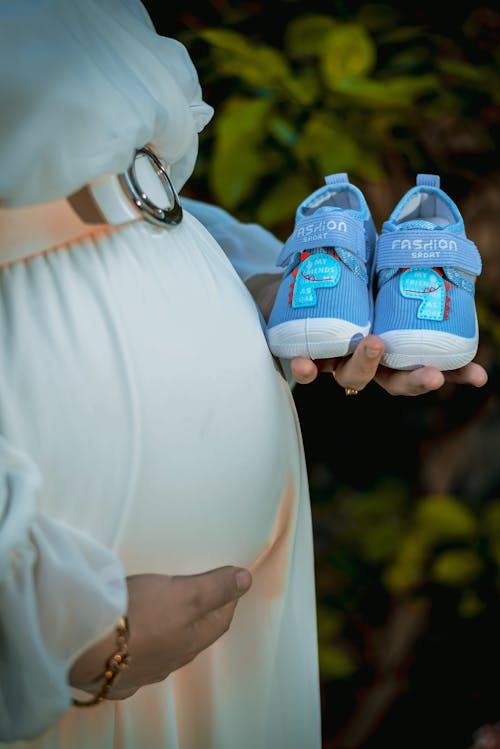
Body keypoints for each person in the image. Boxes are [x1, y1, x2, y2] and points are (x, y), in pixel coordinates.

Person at [0, 1, 488, 748]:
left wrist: (254, 286)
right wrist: (52, 625)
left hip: (222, 643)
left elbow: (114, 173)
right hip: (82, 659)